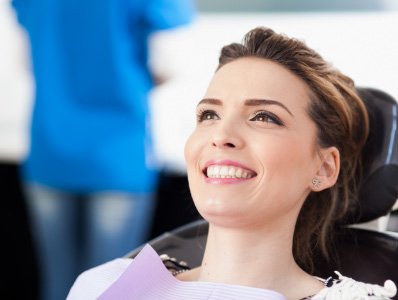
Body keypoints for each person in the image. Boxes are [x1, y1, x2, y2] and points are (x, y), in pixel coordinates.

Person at [66, 27, 397, 300]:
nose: (221, 135)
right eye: (209, 114)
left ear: (324, 168)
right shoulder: (102, 285)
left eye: (264, 116)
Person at [11, 0, 195, 299]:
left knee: (59, 284)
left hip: (50, 148)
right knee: (111, 288)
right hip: (119, 154)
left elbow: (27, 62)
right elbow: (169, 65)